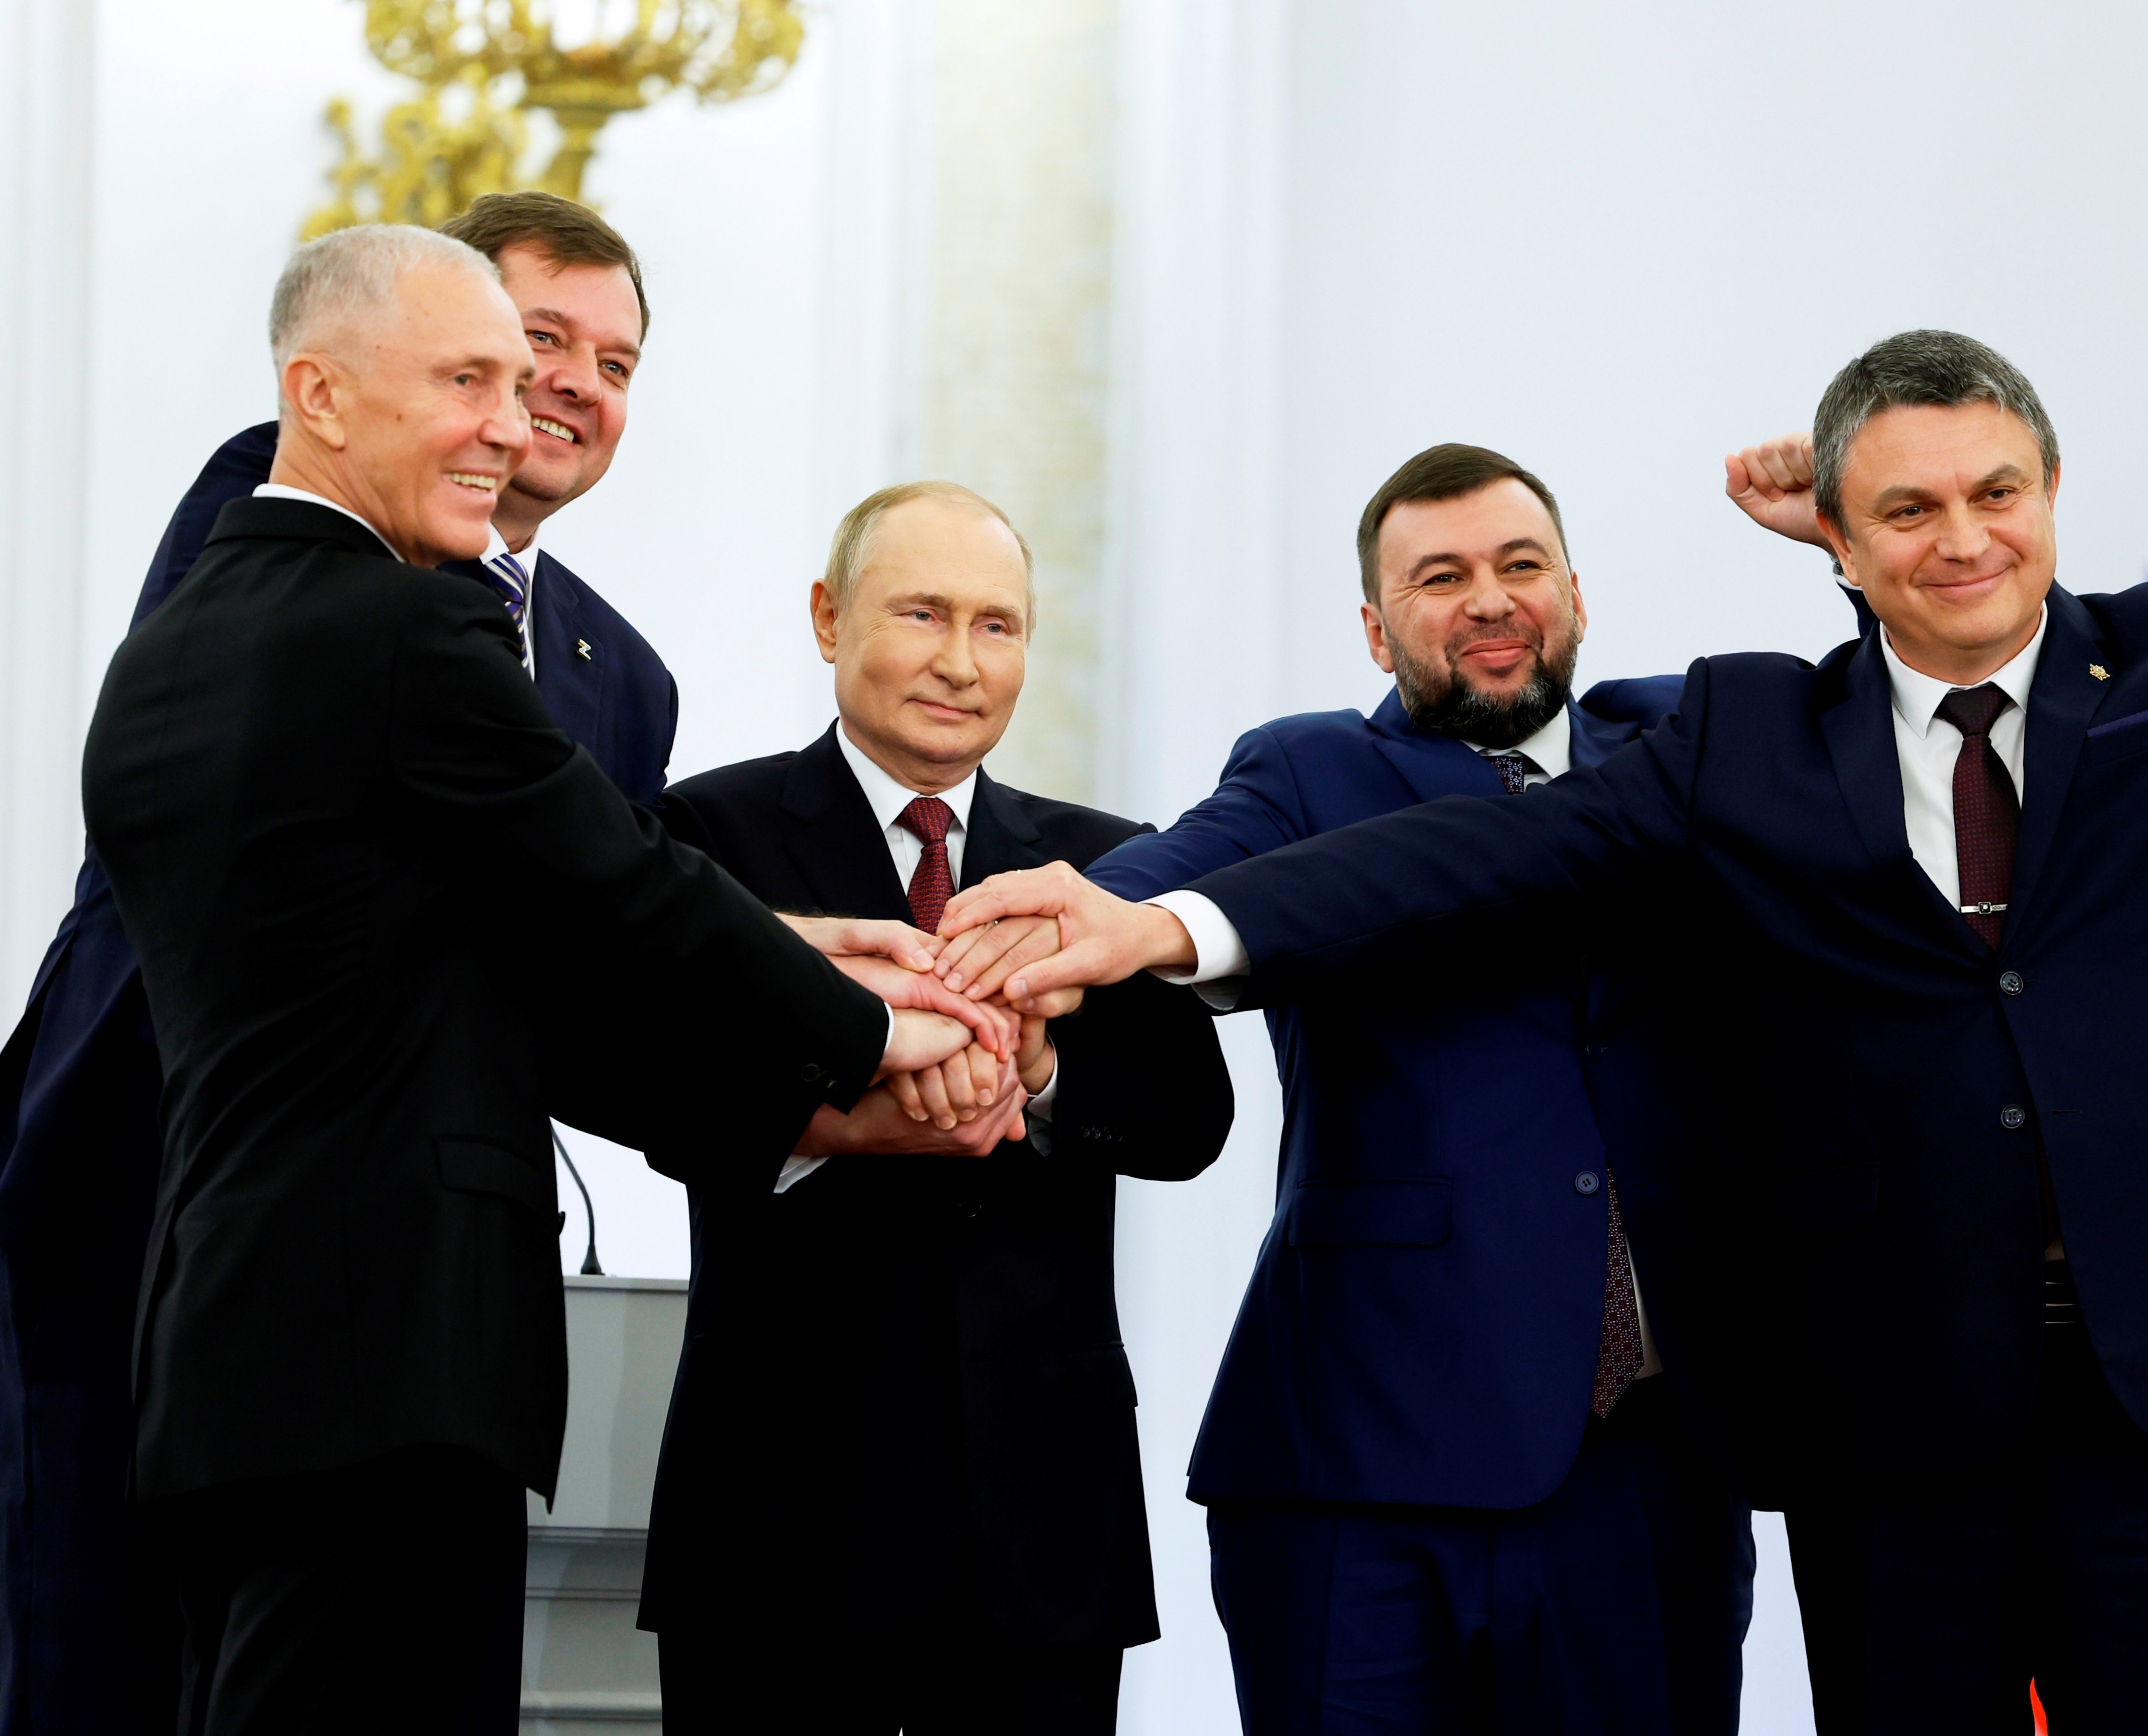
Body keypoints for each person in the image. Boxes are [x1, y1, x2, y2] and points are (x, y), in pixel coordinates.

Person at [936, 245, 2148, 1731]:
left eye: (1994, 494)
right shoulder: (1747, 742)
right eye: (1908, 513)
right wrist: (1160, 927)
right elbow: (1457, 865)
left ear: (2054, 493)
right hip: (1888, 1406)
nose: (1964, 538)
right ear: (1836, 543)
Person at [80, 224, 1008, 1735]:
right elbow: (616, 888)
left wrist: (797, 947)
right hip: (392, 1345)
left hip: (225, 1345)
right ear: (317, 394)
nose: (515, 423)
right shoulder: (404, 622)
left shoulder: (173, 651)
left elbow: (460, 940)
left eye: (539, 382)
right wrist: (879, 1029)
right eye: (473, 378)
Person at [945, 444, 1754, 1732]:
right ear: (1377, 633)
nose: (1488, 599)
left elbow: (1888, 715)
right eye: (1440, 578)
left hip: (1648, 1468)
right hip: (1358, 1471)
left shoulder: (1687, 745)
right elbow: (1156, 886)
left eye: (1519, 565)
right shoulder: (1307, 770)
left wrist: (1842, 533)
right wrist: (1045, 946)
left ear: (1580, 595)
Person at [0, 190, 666, 1736]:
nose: (561, 387)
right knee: (108, 1669)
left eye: (613, 363)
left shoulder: (619, 673)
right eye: (526, 344)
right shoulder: (278, 519)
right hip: (160, 1182)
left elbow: (596, 943)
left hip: (422, 1275)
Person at [636, 480, 1236, 1733]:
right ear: (827, 618)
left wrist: (1039, 1072)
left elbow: (1189, 1117)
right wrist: (867, 1075)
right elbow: (664, 1090)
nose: (960, 663)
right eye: (921, 614)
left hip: (1041, 1527)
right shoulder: (703, 837)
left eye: (998, 625)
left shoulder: (1105, 861)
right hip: (782, 1509)